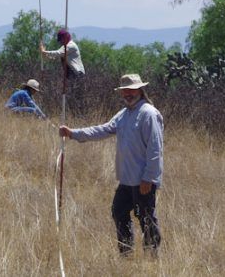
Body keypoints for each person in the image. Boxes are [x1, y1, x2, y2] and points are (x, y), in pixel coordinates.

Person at [59, 73, 164, 255]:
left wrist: (149, 177)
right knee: (118, 212)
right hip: (126, 179)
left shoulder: (149, 114)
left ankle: (152, 257)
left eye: (130, 90)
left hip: (143, 180)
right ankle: (126, 254)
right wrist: (73, 133)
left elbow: (155, 149)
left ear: (139, 89)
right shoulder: (124, 114)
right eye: (124, 91)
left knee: (146, 218)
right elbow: (103, 129)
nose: (127, 94)